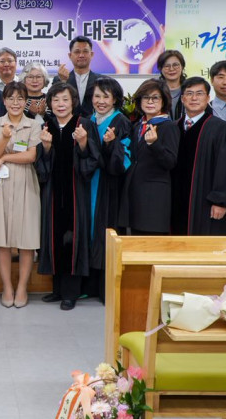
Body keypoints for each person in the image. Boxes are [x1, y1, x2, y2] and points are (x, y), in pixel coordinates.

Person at [37, 82, 100, 310]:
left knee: (73, 239)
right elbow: (41, 167)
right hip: (53, 193)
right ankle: (57, 290)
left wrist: (82, 143)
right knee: (54, 237)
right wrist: (45, 148)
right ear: (50, 104)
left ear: (73, 102)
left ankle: (71, 293)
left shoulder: (85, 125)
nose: (60, 104)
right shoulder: (46, 125)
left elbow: (93, 161)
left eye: (65, 99)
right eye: (55, 100)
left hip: (76, 193)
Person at [0, 81, 41, 309]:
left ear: (26, 101)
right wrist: (5, 139)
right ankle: (7, 287)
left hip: (26, 183)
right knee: (2, 238)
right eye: (11, 98)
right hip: (0, 185)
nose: (15, 103)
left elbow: (31, 156)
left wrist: (5, 157)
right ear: (4, 101)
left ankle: (22, 287)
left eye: (20, 98)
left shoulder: (33, 125)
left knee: (27, 239)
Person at [170, 77, 226, 235]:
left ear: (208, 98)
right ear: (182, 99)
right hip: (175, 203)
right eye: (189, 93)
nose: (194, 98)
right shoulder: (173, 127)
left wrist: (220, 201)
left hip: (206, 203)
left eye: (199, 93)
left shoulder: (221, 128)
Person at [86, 77, 131, 300]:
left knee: (107, 232)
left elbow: (123, 161)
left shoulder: (120, 121)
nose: (101, 101)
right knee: (89, 231)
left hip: (109, 187)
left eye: (106, 96)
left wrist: (111, 144)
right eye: (97, 96)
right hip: (89, 183)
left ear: (115, 99)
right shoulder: (88, 120)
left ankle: (107, 290)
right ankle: (89, 286)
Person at [119, 79, 180, 235]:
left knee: (152, 243)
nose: (150, 102)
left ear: (163, 101)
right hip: (134, 194)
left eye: (155, 98)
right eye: (146, 97)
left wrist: (154, 144)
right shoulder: (138, 126)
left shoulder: (169, 126)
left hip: (154, 198)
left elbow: (170, 162)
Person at [53, 36, 99, 118]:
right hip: (68, 124)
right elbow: (54, 104)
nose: (81, 55)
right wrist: (63, 82)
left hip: (94, 124)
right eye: (77, 52)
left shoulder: (101, 81)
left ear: (91, 54)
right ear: (70, 55)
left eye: (85, 51)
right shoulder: (59, 79)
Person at [156, 49, 186, 120]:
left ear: (182, 67)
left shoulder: (190, 89)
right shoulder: (155, 90)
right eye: (166, 66)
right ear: (160, 69)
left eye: (175, 65)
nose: (171, 69)